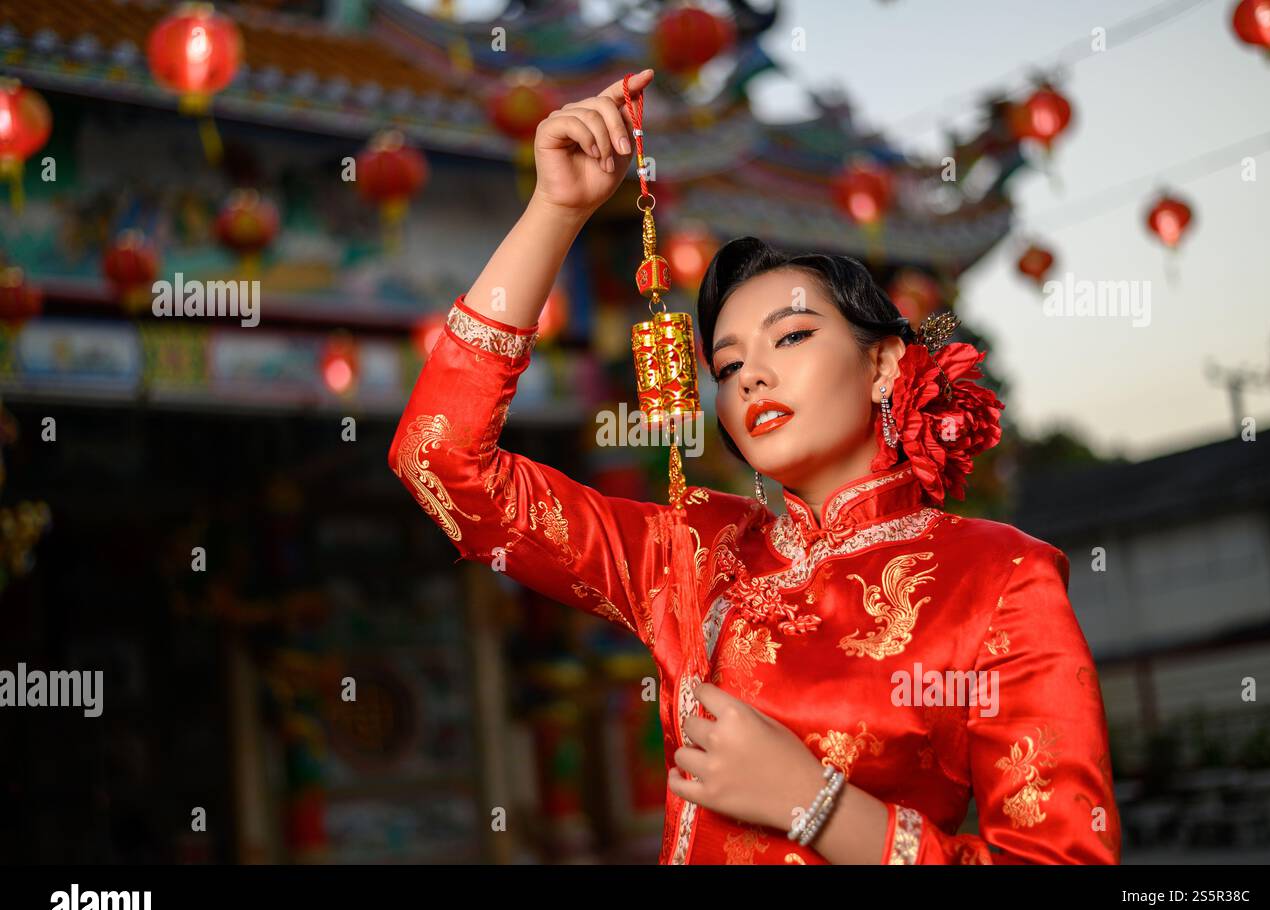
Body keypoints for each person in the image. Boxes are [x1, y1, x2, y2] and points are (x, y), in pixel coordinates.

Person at [388, 68, 1120, 865]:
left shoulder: (998, 579)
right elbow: (440, 457)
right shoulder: (696, 556)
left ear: (883, 366)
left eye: (792, 337)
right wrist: (554, 211)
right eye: (728, 366)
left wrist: (813, 804)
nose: (752, 378)